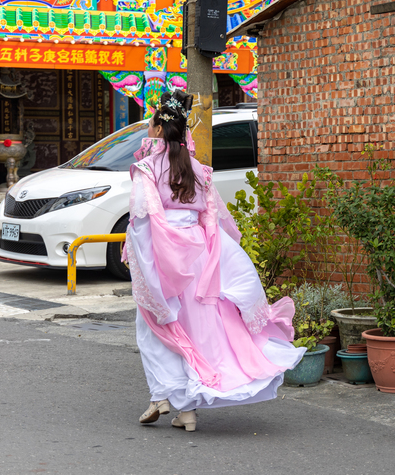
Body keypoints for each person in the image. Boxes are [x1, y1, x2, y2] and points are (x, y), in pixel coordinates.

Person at [124, 90, 306, 431]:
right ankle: (186, 411)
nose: (149, 130)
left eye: (151, 124)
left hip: (164, 256)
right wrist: (217, 260)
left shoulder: (147, 169)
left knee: (156, 328)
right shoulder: (199, 171)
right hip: (200, 257)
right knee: (194, 332)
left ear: (159, 130)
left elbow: (143, 219)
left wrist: (143, 260)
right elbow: (215, 220)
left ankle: (164, 396)